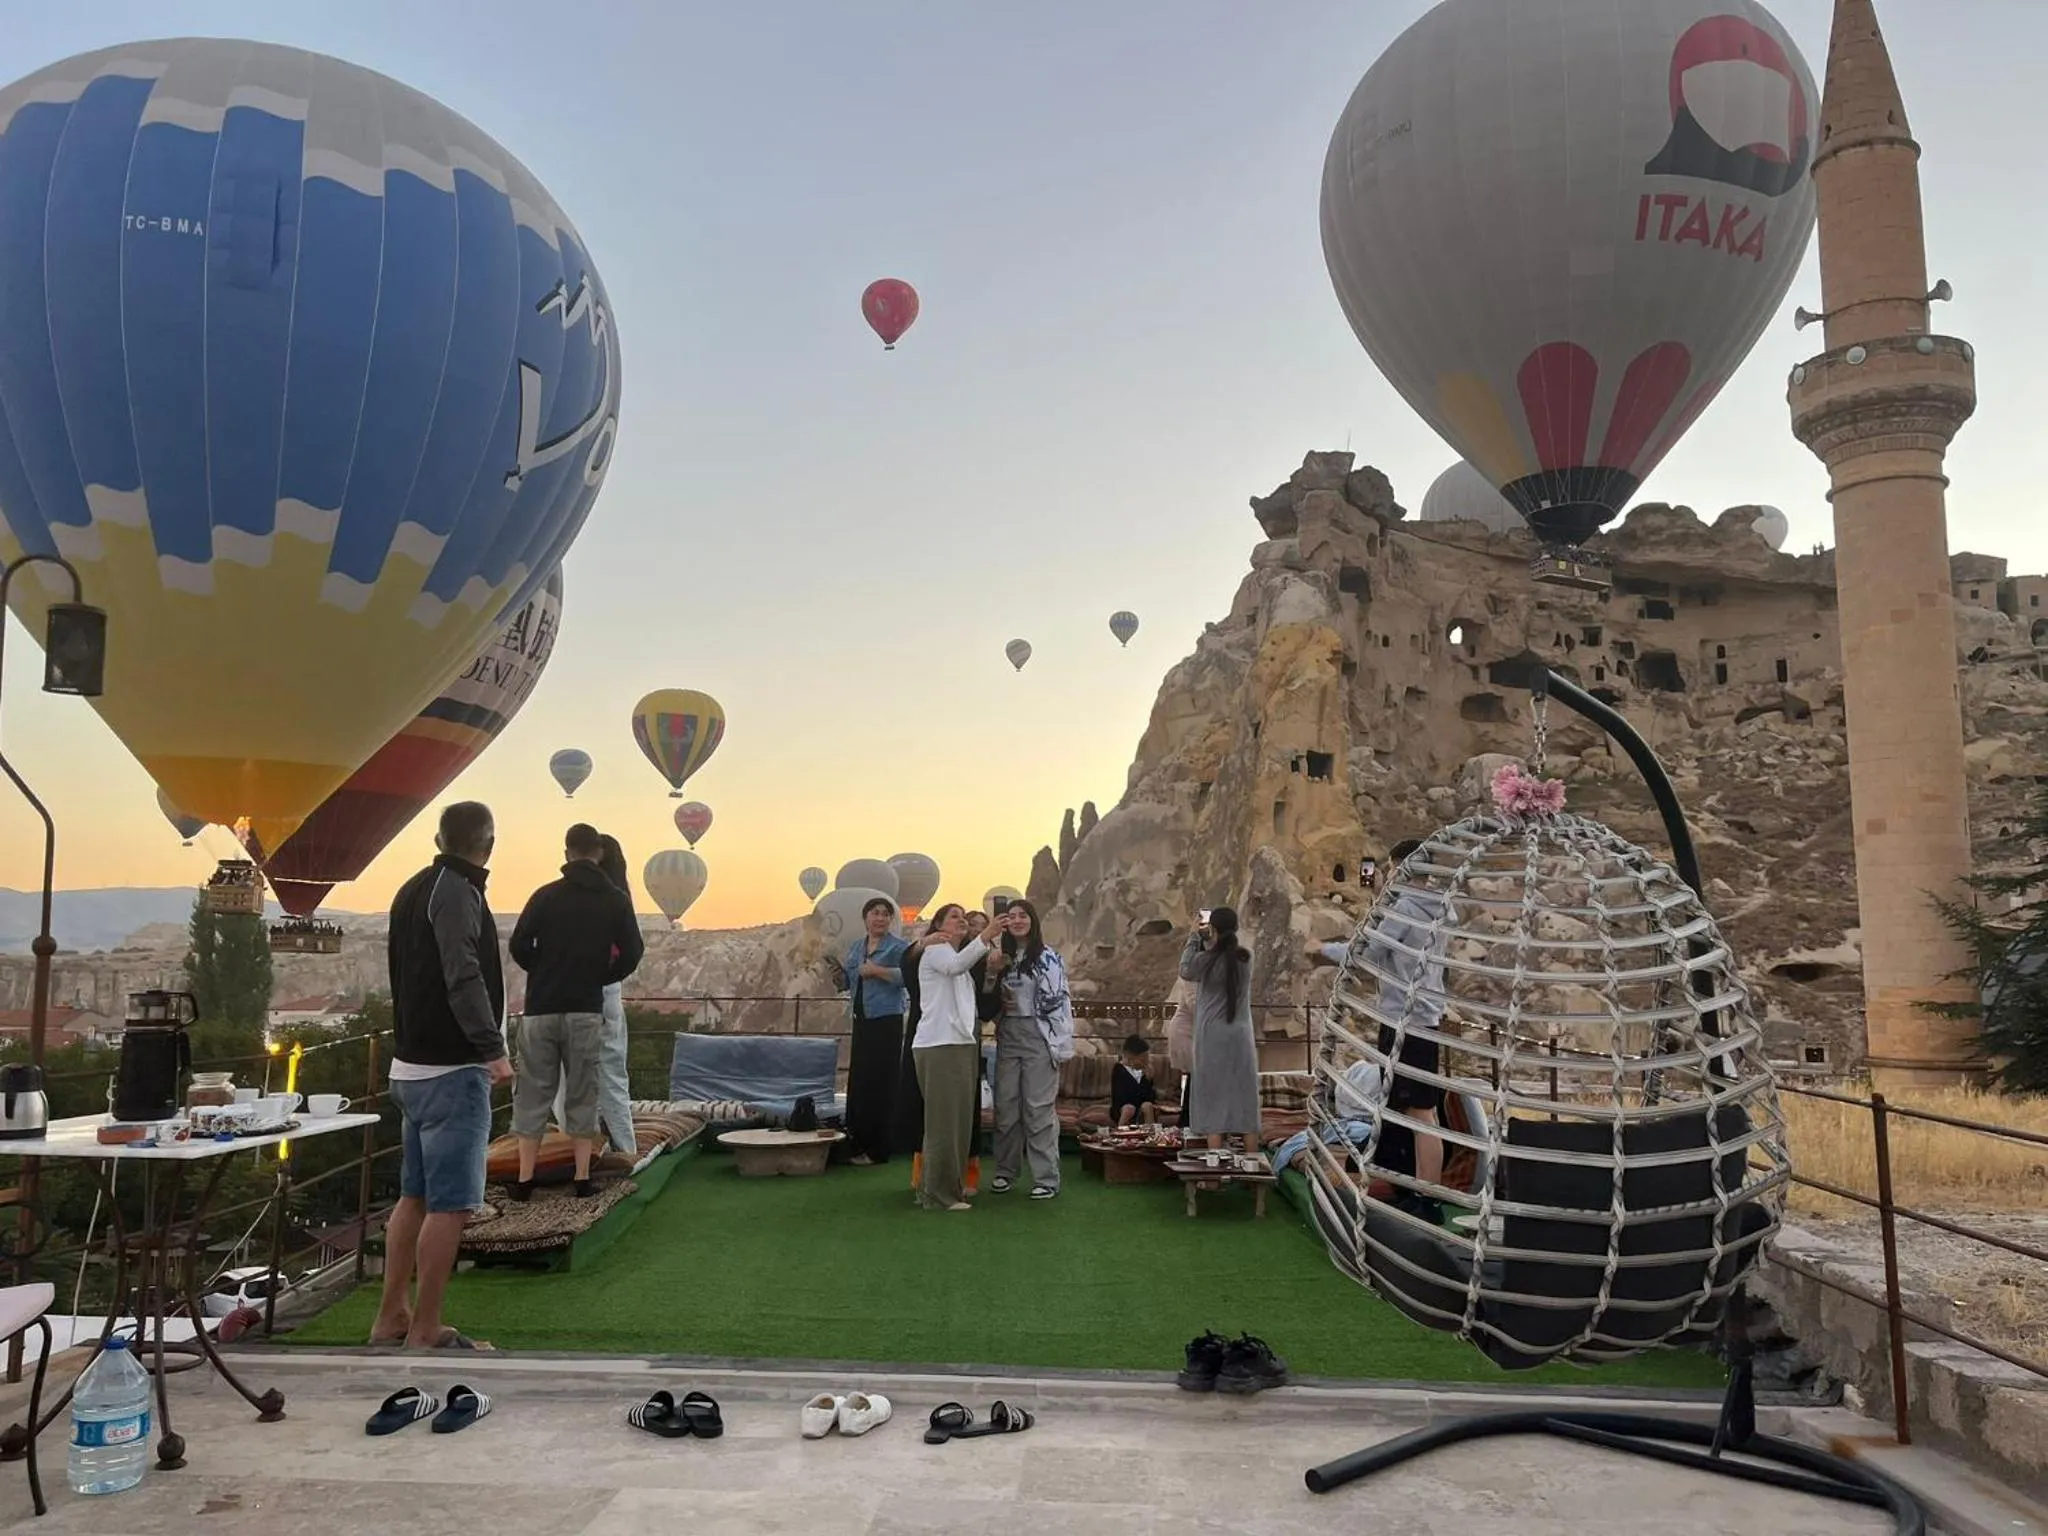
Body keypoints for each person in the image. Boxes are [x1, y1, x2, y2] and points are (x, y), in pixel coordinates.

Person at [371, 801, 511, 1352]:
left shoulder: (413, 888)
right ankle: (426, 1328)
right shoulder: (457, 891)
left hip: (410, 1066)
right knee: (450, 1204)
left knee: (415, 1197)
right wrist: (491, 1048)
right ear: (489, 843)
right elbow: (463, 972)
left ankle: (391, 1318)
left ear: (438, 837)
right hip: (452, 1069)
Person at [508, 823, 646, 1199]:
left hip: (542, 1007)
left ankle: (524, 1179)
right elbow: (633, 951)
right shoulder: (614, 899)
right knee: (586, 1089)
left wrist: (542, 968)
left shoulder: (545, 896)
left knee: (535, 1091)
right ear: (597, 852)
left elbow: (519, 944)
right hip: (587, 1005)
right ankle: (584, 1176)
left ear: (566, 851)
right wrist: (599, 975)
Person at [1333, 836, 1449, 1219]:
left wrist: (1325, 948)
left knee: (1420, 1113)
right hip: (1420, 1017)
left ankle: (1427, 1198)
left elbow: (1368, 953)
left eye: (1391, 867)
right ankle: (1412, 1186)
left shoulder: (1405, 909)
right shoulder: (1438, 908)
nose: (1386, 873)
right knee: (1405, 1108)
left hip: (1408, 1021)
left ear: (1403, 868)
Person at [551, 833, 639, 1160]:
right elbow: (631, 951)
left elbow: (526, 947)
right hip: (608, 991)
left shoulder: (566, 899)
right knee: (613, 1075)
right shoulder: (619, 899)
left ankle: (570, 1153)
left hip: (572, 991)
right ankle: (626, 1152)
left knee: (567, 1077)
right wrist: (607, 977)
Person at [987, 899, 1075, 1200]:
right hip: (1008, 1033)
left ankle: (1046, 1178)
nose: (1017, 920)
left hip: (1039, 1034)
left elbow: (1058, 1000)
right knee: (1006, 1106)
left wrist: (1059, 1041)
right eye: (1010, 916)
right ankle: (1005, 1171)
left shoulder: (1048, 956)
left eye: (1023, 915)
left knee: (1038, 1108)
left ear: (1033, 920)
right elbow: (987, 995)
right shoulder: (1000, 957)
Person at [911, 904, 989, 1211]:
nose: (962, 921)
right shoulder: (937, 950)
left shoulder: (955, 959)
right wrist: (986, 936)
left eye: (963, 917)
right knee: (944, 1123)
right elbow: (955, 966)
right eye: (954, 916)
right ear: (939, 926)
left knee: (956, 1122)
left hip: (956, 1044)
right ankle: (938, 1195)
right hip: (940, 1045)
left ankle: (948, 1187)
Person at [1180, 907, 1260, 1152]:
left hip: (1212, 1036)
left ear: (1211, 929)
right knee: (1245, 1101)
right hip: (1241, 1036)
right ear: (1236, 929)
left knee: (1213, 1100)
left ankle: (1215, 1174)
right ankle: (1252, 1170)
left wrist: (1195, 937)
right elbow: (1225, 953)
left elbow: (1186, 969)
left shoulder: (1205, 960)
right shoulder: (1246, 957)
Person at [839, 898, 910, 1166]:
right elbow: (851, 978)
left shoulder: (898, 946)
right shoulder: (857, 947)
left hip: (886, 1019)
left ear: (890, 920)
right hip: (861, 1018)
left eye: (884, 914)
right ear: (865, 917)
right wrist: (839, 976)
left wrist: (877, 971)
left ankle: (879, 1148)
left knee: (883, 1083)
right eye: (874, 913)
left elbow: (908, 977)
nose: (879, 918)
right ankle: (856, 1142)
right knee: (860, 1082)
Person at [1164, 974, 1197, 1128]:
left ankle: (1188, 1123)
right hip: (1185, 1034)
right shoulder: (1189, 977)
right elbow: (1194, 1004)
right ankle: (1187, 1124)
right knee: (1196, 1076)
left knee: (1196, 1077)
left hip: (1196, 1033)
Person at [1111, 1034, 1160, 1127]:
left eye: (1147, 1059)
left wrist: (1148, 1080)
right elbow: (1122, 1098)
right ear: (1131, 1057)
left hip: (1140, 1106)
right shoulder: (1119, 1070)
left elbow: (1150, 1098)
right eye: (1143, 1059)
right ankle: (1120, 1134)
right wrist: (1140, 1087)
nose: (1147, 1062)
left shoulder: (1145, 1071)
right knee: (1129, 1109)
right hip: (1122, 1108)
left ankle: (1150, 1135)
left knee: (1148, 1105)